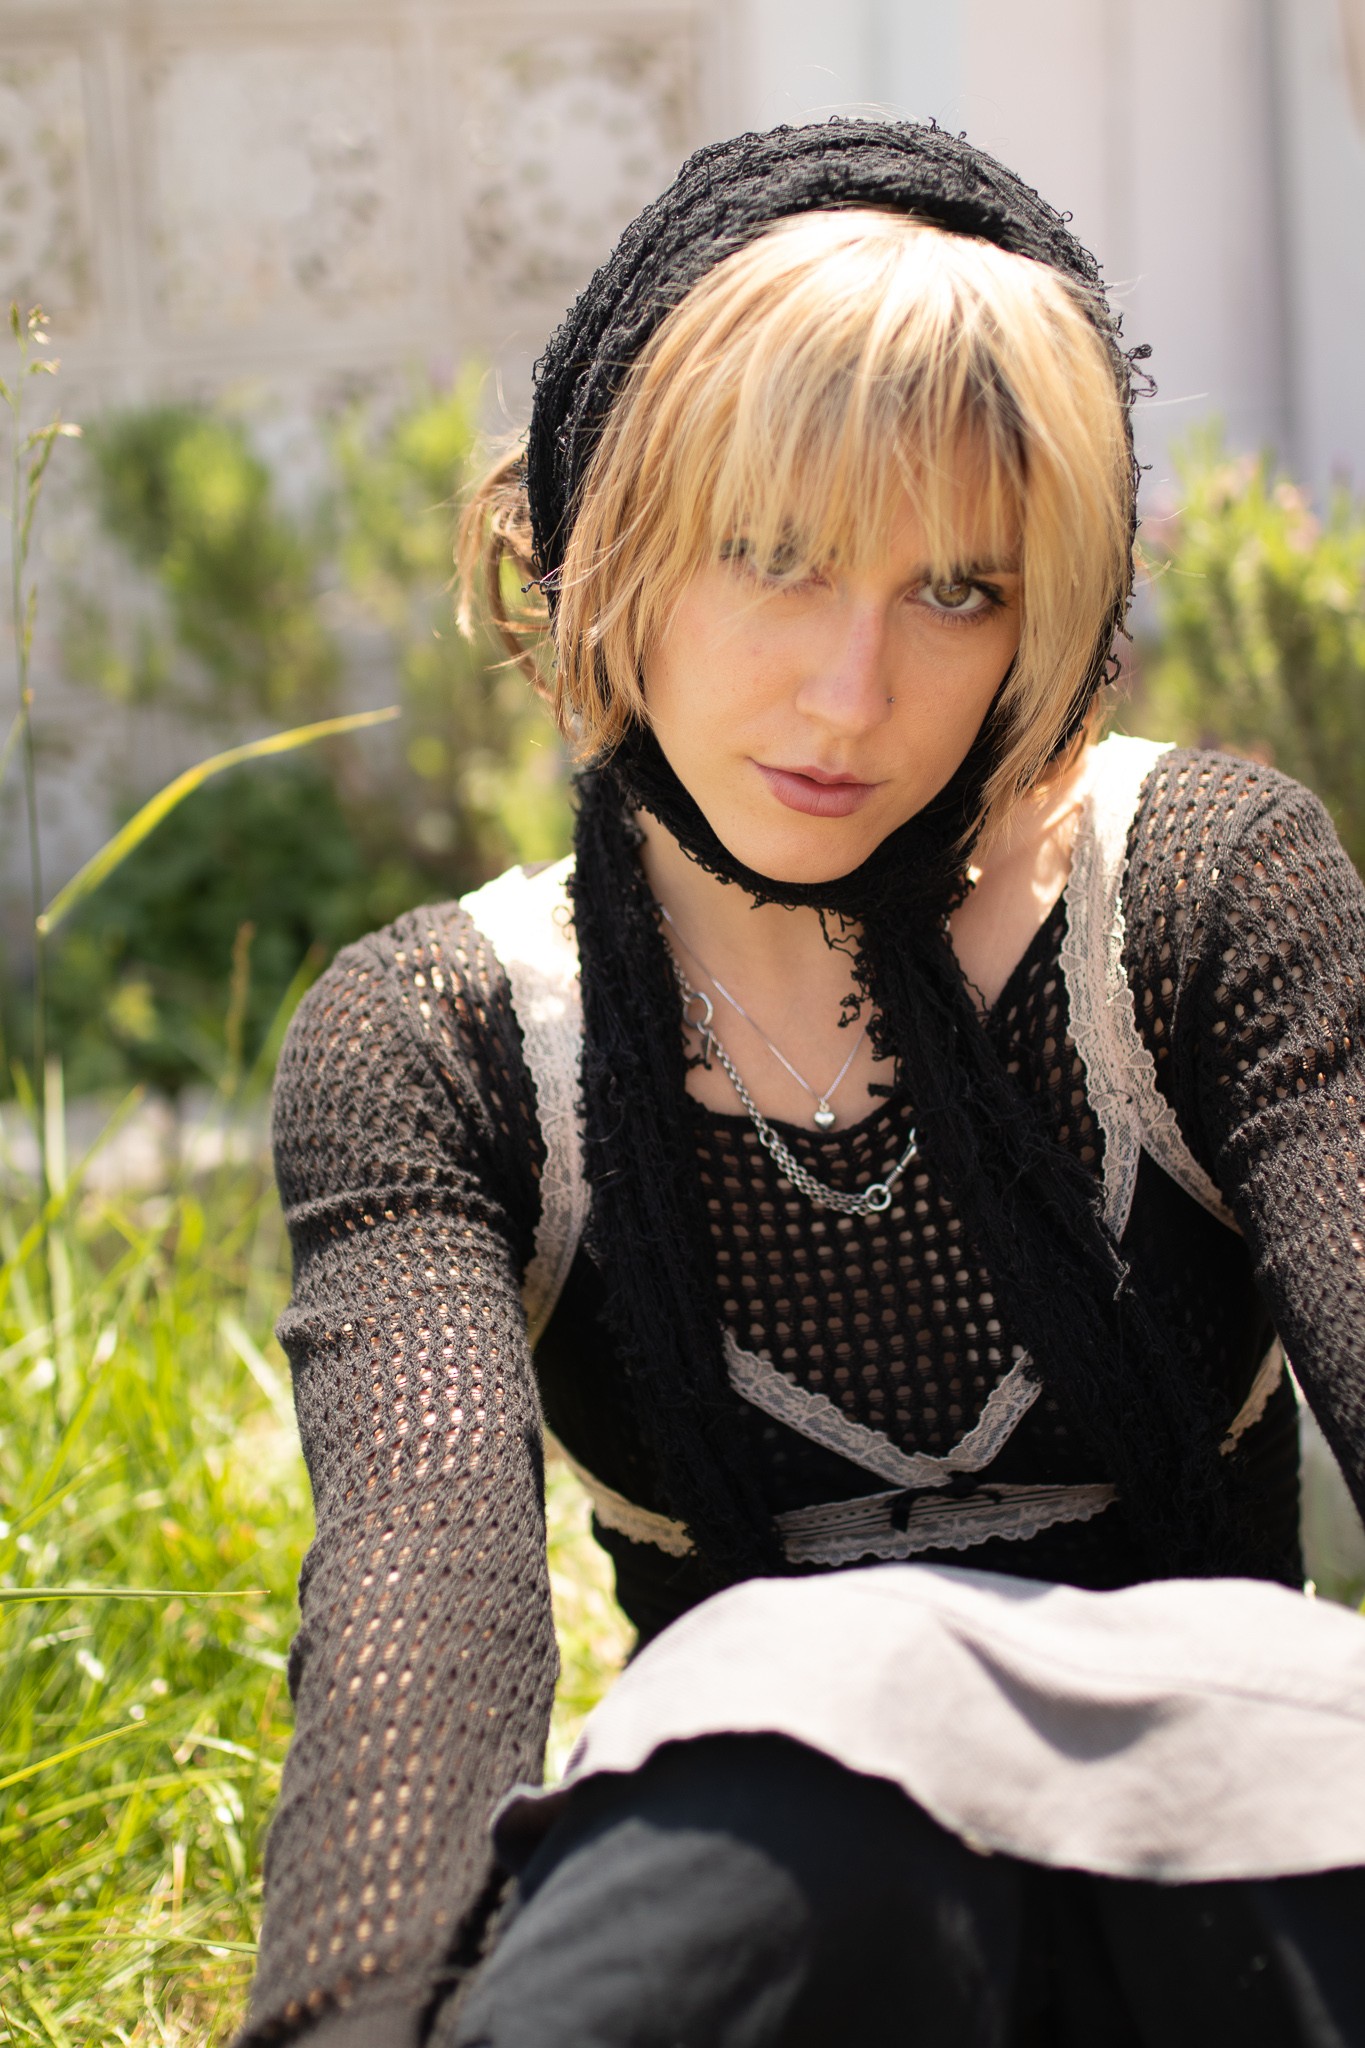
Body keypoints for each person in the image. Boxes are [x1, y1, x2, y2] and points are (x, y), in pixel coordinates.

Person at [240, 123, 1365, 2048]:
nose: (852, 695)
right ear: (603, 539)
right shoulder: (445, 1043)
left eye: (958, 590)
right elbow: (415, 1639)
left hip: (1236, 1813)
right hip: (767, 1834)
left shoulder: (1195, 896)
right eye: (773, 558)